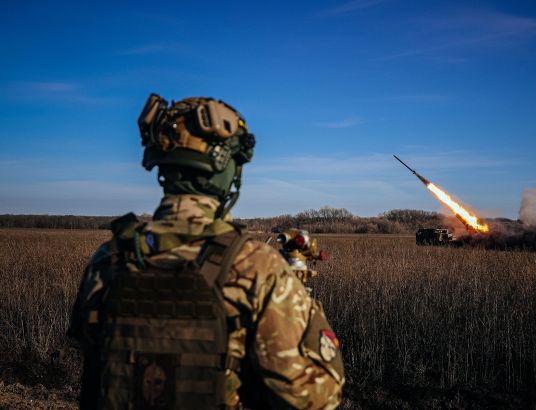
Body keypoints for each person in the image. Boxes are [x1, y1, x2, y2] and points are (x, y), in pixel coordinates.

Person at [67, 94, 345, 409]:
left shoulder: (109, 258)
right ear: (227, 170)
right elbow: (314, 398)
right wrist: (306, 310)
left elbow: (94, 359)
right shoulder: (256, 266)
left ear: (162, 163)